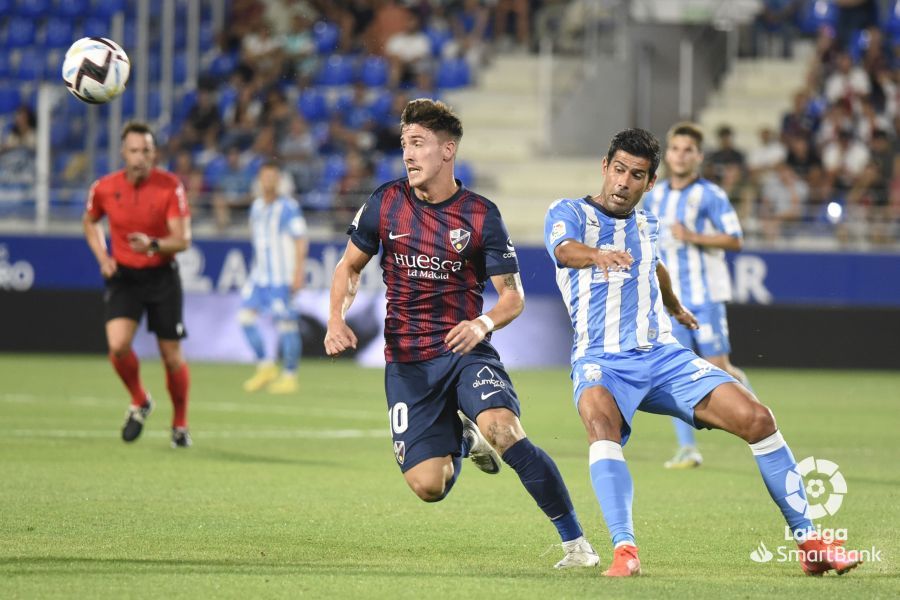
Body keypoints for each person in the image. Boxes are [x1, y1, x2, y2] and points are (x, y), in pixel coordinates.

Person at [543, 128, 860, 577]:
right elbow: (563, 251)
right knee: (600, 423)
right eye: (618, 170)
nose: (623, 182)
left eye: (636, 175)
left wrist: (674, 306)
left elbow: (655, 265)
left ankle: (810, 542)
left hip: (663, 356)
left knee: (759, 419)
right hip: (603, 360)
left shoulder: (648, 224)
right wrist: (597, 256)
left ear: (649, 183)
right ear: (604, 167)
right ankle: (625, 551)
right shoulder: (568, 212)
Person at [325, 98, 598, 569]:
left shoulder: (479, 215)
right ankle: (464, 438)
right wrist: (336, 317)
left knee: (506, 431)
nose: (408, 154)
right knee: (429, 487)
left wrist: (482, 323)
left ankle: (577, 544)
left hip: (465, 351)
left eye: (419, 144)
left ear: (447, 150)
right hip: (408, 363)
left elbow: (512, 298)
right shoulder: (386, 202)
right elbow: (349, 266)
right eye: (405, 144)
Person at [642, 122, 750, 469]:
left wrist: (692, 235)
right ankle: (688, 449)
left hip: (705, 296)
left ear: (699, 156)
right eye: (675, 148)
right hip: (671, 300)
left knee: (720, 369)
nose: (680, 155)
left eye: (688, 150)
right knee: (675, 370)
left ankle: (758, 419)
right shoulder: (654, 195)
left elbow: (735, 239)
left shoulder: (711, 195)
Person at [82, 121, 192, 448]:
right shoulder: (104, 187)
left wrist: (154, 245)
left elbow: (183, 239)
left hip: (161, 276)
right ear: (123, 152)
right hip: (125, 277)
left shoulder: (170, 186)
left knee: (171, 357)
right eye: (134, 150)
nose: (140, 156)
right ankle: (140, 399)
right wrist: (103, 257)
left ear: (154, 152)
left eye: (146, 150)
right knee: (117, 346)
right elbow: (90, 222)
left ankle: (180, 424)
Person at [240, 161, 308, 394]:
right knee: (245, 317)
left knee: (286, 324)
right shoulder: (257, 207)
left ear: (278, 180)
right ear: (259, 180)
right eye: (264, 177)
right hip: (260, 277)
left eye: (272, 177)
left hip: (281, 278)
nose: (268, 181)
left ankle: (290, 375)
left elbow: (300, 240)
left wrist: (298, 273)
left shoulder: (288, 207)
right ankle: (265, 366)